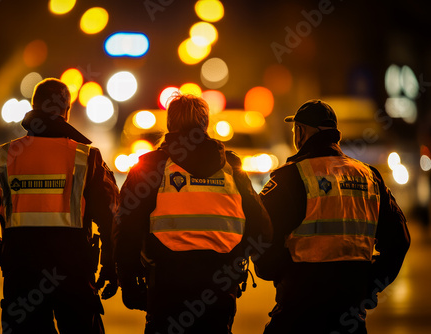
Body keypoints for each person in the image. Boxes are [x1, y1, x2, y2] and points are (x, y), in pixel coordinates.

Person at [0, 78, 119, 334]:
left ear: (34, 106)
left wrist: (1, 252)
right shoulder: (87, 158)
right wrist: (112, 265)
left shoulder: (0, 158)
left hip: (22, 279)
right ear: (66, 111)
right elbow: (113, 217)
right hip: (75, 278)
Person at [113, 94, 273, 333]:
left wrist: (128, 281)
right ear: (205, 124)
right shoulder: (231, 167)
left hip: (166, 285)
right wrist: (242, 263)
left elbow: (126, 227)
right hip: (220, 285)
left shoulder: (150, 167)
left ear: (170, 125)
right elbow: (261, 228)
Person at [255, 99, 411, 334]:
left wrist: (278, 273)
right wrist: (370, 285)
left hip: (299, 310)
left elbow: (262, 234)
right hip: (350, 312)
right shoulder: (369, 177)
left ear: (301, 132)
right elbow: (399, 241)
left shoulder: (291, 177)